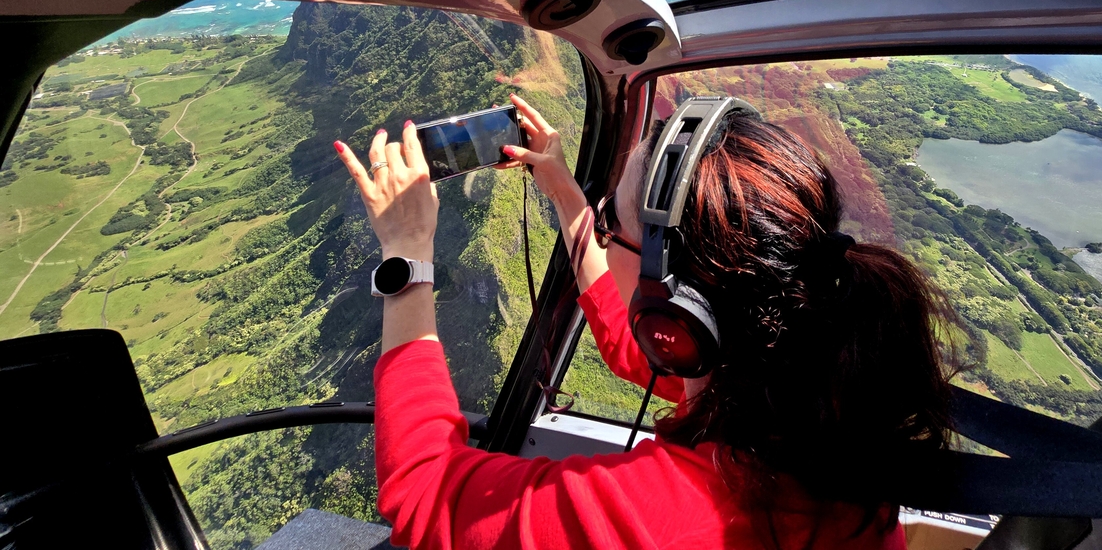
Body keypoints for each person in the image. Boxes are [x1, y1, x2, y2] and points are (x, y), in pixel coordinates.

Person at [334, 94, 958, 550]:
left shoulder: (661, 519)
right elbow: (622, 340)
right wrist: (568, 198)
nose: (604, 230)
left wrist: (407, 254)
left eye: (613, 223)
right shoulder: (811, 396)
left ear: (677, 309)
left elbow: (424, 489)